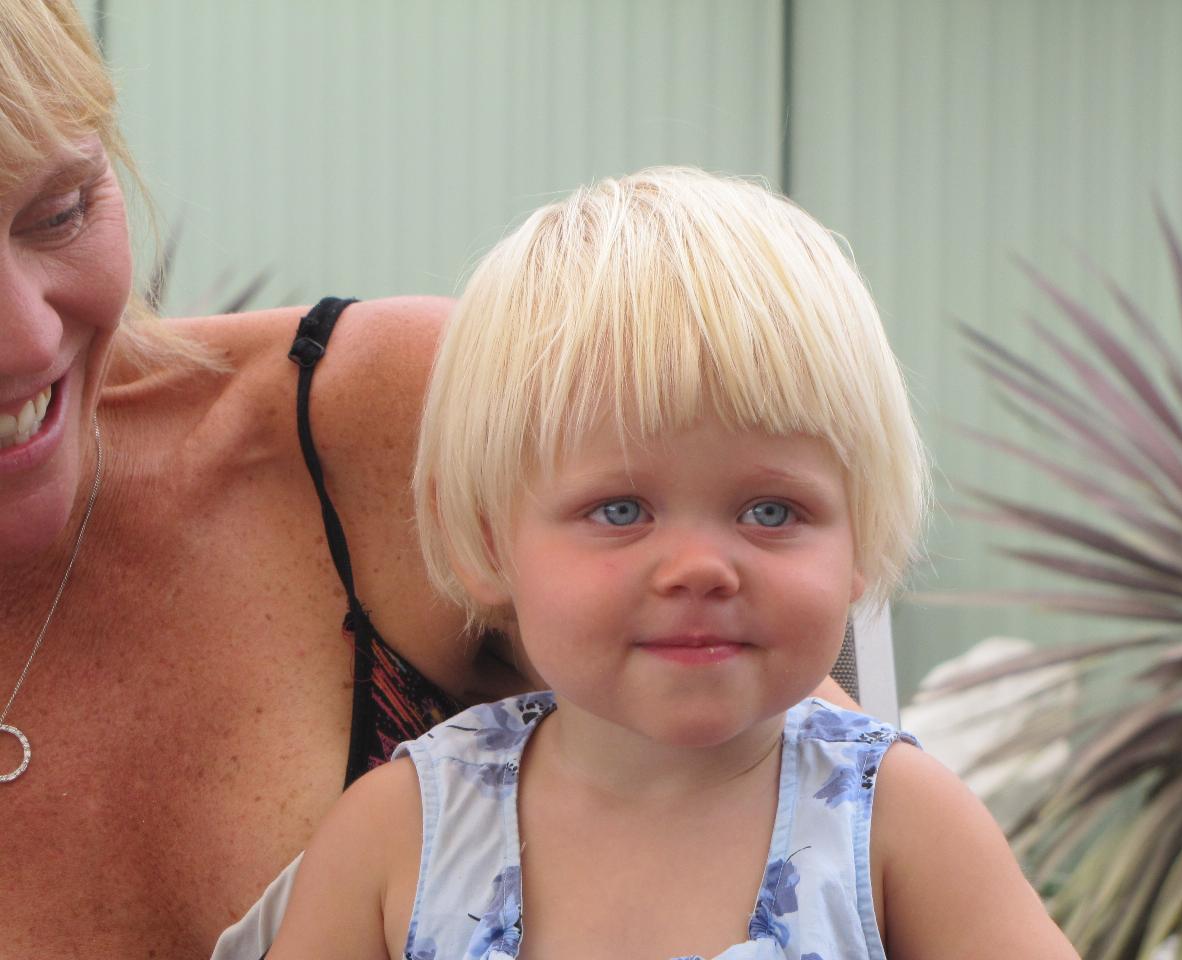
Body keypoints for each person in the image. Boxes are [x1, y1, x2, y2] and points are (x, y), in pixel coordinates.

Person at [0, 6, 857, 957]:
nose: (28, 339)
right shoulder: (396, 825)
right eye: (622, 512)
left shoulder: (395, 425)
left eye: (60, 211)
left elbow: (817, 796)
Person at [268, 168, 1079, 959]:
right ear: (487, 544)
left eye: (771, 512)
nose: (700, 568)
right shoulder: (402, 832)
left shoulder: (899, 826)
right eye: (620, 511)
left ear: (858, 544)